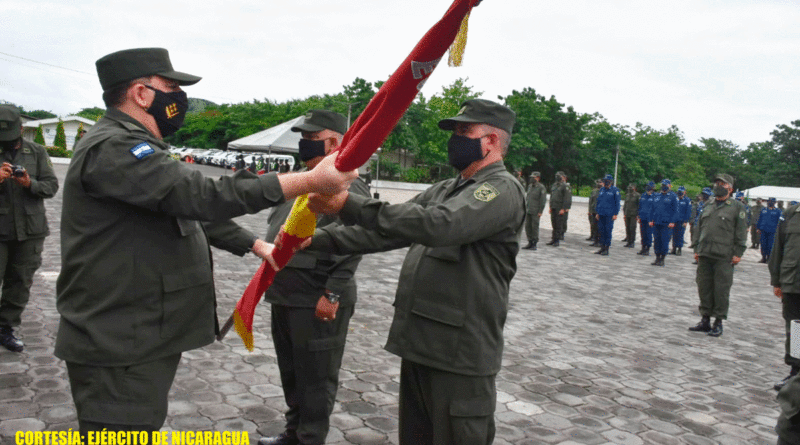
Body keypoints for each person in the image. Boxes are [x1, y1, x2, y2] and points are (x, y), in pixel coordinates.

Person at [54, 48, 358, 436]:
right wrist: (310, 181)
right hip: (120, 341)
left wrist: (253, 244)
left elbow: (181, 208)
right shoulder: (116, 147)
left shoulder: (133, 145)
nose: (179, 98)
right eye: (171, 87)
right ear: (141, 94)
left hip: (137, 333)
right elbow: (200, 195)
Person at [304, 99, 524, 444]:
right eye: (455, 131)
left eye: (465, 131)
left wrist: (349, 202)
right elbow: (386, 230)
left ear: (492, 141)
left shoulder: (500, 189)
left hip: (460, 354)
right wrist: (315, 240)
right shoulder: (446, 189)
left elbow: (441, 225)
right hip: (422, 343)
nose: (456, 138)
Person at [258, 110, 370, 445]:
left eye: (311, 138)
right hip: (286, 293)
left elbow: (358, 241)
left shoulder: (347, 183)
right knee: (292, 373)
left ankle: (310, 438)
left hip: (316, 295)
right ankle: (294, 433)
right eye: (303, 139)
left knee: (316, 379)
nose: (304, 144)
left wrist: (333, 292)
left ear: (334, 141)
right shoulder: (305, 178)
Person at [0, 105, 59, 353]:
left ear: (21, 129)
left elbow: (52, 186)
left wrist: (29, 183)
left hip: (30, 231)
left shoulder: (36, 152)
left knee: (19, 282)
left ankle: (5, 328)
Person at [688, 174, 746, 337]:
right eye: (717, 183)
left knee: (721, 289)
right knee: (704, 287)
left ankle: (718, 322)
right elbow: (699, 227)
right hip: (705, 253)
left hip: (724, 255)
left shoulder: (737, 207)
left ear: (730, 188)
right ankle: (705, 319)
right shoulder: (709, 203)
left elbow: (741, 232)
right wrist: (696, 248)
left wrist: (738, 252)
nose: (718, 185)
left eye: (722, 183)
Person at [769, 200, 800, 391]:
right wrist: (777, 280)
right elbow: (778, 247)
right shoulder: (791, 213)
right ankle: (796, 372)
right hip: (793, 280)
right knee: (796, 327)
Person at [648, 179, 678, 266]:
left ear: (669, 186)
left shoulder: (673, 196)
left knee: (664, 241)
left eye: (666, 185)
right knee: (657, 241)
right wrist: (650, 220)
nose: (664, 187)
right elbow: (652, 209)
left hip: (667, 224)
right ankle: (657, 257)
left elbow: (676, 211)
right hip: (656, 222)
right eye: (662, 185)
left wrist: (672, 221)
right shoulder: (657, 195)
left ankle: (662, 258)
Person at [594, 174, 620, 256]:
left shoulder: (615, 190)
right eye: (604, 180)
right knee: (601, 231)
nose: (605, 182)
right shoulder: (602, 190)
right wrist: (597, 212)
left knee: (607, 231)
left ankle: (606, 249)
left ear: (611, 182)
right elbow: (599, 201)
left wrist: (615, 214)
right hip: (601, 213)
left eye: (607, 181)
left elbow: (617, 203)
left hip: (609, 215)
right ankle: (602, 247)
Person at [523, 171, 546, 250]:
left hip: (535, 211)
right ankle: (529, 242)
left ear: (538, 178)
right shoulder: (530, 186)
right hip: (528, 209)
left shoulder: (541, 187)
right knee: (527, 227)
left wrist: (540, 211)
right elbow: (527, 198)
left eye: (534, 177)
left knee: (534, 227)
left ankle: (534, 243)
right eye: (531, 177)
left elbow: (542, 200)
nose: (532, 179)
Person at [547, 171, 571, 246]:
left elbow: (567, 198)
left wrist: (563, 209)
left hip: (559, 208)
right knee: (553, 224)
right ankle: (553, 239)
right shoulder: (554, 185)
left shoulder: (565, 186)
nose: (557, 177)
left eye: (559, 176)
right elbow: (552, 196)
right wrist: (550, 207)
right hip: (554, 207)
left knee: (558, 224)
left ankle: (557, 240)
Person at [689, 188, 712, 265]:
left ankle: (703, 258)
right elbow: (695, 213)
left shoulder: (711, 204)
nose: (704, 196)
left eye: (706, 195)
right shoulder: (699, 204)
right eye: (703, 194)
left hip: (706, 226)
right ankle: (697, 257)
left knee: (704, 242)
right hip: (697, 225)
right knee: (696, 241)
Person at [758, 197, 783, 263]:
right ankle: (763, 258)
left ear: (775, 203)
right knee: (763, 245)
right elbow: (760, 219)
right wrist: (758, 228)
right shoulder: (763, 210)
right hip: (763, 230)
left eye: (771, 201)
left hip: (772, 231)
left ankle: (769, 258)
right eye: (769, 201)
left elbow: (780, 221)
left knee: (770, 245)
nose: (770, 202)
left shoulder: (778, 211)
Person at [670, 186, 692, 255]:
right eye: (679, 192)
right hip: (675, 220)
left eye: (681, 192)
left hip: (682, 220)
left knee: (680, 235)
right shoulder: (675, 199)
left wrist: (686, 221)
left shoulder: (687, 200)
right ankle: (674, 248)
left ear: (684, 192)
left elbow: (688, 211)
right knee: (674, 234)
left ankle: (679, 249)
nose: (680, 194)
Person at [637, 181, 656, 256]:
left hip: (650, 219)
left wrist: (652, 219)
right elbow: (640, 206)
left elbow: (655, 208)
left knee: (648, 234)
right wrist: (638, 215)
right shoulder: (643, 195)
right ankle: (643, 247)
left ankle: (647, 249)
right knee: (642, 233)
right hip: (642, 217)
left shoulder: (655, 196)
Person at [622, 183, 640, 248]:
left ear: (634, 188)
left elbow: (639, 206)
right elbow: (625, 205)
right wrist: (624, 214)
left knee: (632, 228)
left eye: (631, 188)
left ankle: (632, 242)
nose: (629, 190)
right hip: (627, 214)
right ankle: (628, 241)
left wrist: (638, 215)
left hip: (633, 215)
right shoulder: (627, 195)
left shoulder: (637, 195)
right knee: (627, 228)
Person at [587, 179, 601, 246]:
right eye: (598, 182)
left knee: (599, 227)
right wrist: (590, 210)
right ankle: (595, 241)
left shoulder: (604, 191)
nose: (599, 184)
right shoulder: (594, 191)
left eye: (600, 182)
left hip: (600, 212)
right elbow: (590, 202)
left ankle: (600, 241)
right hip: (593, 211)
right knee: (594, 226)